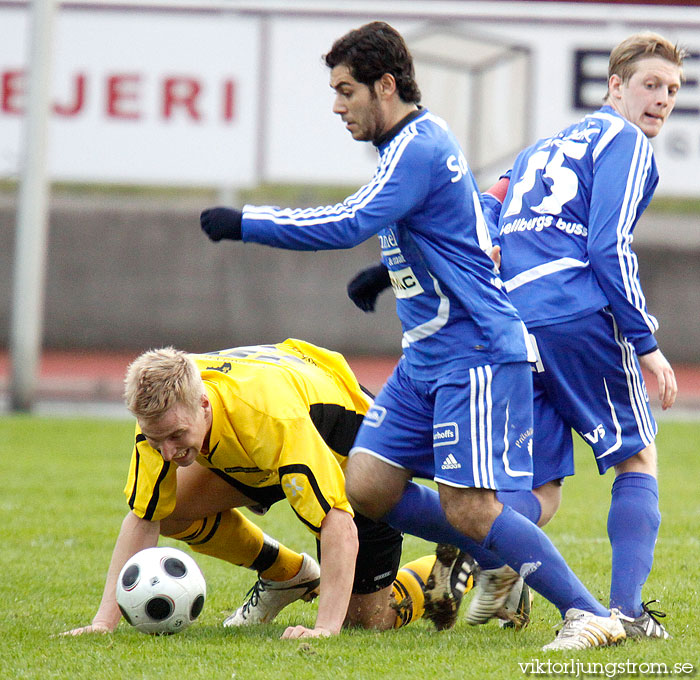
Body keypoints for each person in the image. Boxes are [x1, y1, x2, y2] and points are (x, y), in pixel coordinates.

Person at [200, 21, 627, 650]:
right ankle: (497, 552)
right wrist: (389, 271)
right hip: (425, 358)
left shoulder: (418, 145)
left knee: (471, 509)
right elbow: (463, 220)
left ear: (385, 85)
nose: (337, 105)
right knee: (367, 488)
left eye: (346, 90)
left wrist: (245, 221)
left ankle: (590, 615)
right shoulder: (410, 146)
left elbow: (350, 220)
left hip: (475, 352)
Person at [347, 31, 684, 641]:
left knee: (538, 489)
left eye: (672, 91)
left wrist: (389, 267)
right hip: (576, 313)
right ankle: (627, 614)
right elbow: (609, 247)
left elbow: (479, 210)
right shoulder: (628, 142)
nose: (661, 100)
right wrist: (646, 342)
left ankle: (480, 553)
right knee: (636, 454)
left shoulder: (544, 148)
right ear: (616, 86)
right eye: (650, 85)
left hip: (512, 320)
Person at [62, 339, 473, 640]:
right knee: (167, 508)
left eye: (175, 436)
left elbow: (337, 522)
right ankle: (287, 576)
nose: (167, 452)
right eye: (156, 441)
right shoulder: (161, 418)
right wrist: (103, 623)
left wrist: (324, 630)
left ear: (204, 405)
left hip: (354, 453)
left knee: (365, 619)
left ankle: (461, 565)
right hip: (262, 446)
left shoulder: (269, 418)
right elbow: (144, 516)